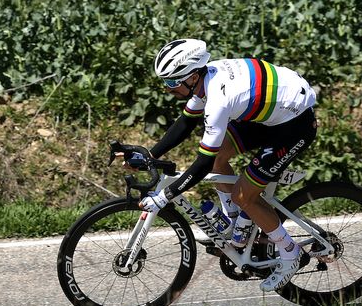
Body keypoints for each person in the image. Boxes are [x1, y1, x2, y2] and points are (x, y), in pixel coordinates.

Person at [122, 38, 318, 292]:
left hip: (294, 124)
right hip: (270, 110)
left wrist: (164, 196)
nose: (168, 89)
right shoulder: (205, 79)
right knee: (218, 157)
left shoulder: (218, 100)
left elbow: (201, 165)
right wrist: (149, 154)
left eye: (172, 82)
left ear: (192, 77)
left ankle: (290, 254)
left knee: (243, 195)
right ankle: (235, 221)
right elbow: (185, 122)